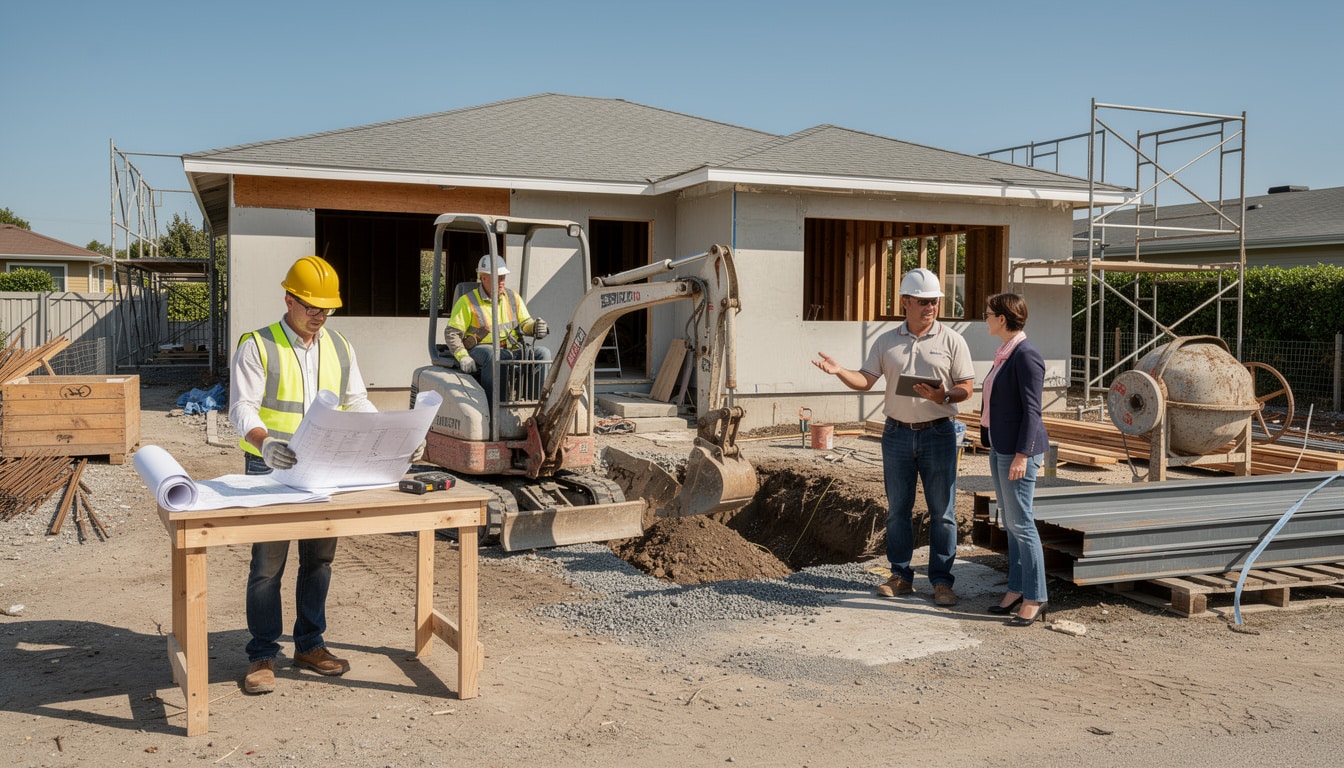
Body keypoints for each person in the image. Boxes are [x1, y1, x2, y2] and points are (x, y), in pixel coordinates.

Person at [229, 255, 413, 694]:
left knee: (320, 561)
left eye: (326, 308)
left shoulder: (339, 346)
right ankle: (262, 655)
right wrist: (264, 442)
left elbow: (357, 401)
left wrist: (388, 435)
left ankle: (309, 644)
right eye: (312, 306)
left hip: (326, 468)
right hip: (270, 465)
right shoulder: (257, 345)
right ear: (289, 299)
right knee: (267, 566)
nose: (320, 315)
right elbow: (241, 406)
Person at [812, 268, 974, 606]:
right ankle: (900, 575)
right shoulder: (887, 341)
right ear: (906, 302)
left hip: (939, 434)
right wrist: (840, 371)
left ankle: (942, 582)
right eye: (924, 301)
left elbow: (967, 388)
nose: (931, 307)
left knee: (942, 511)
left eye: (935, 302)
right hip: (897, 434)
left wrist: (943, 396)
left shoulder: (952, 340)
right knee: (898, 510)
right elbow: (866, 380)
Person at [981, 292, 1051, 626]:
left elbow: (1032, 411)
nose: (985, 317)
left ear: (1003, 318)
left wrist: (1023, 454)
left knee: (1022, 523)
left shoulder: (1026, 355)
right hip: (1001, 446)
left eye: (989, 313)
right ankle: (1017, 587)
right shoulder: (1006, 353)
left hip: (1019, 451)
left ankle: (1036, 596)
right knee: (1010, 522)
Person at [444, 254, 552, 401]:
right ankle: (495, 406)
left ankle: (532, 404)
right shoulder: (467, 301)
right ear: (483, 277)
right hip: (482, 350)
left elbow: (525, 323)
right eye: (497, 278)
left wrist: (535, 327)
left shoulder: (513, 297)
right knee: (496, 355)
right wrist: (463, 356)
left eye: (503, 277)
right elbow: (452, 333)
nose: (501, 282)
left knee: (542, 353)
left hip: (511, 349)